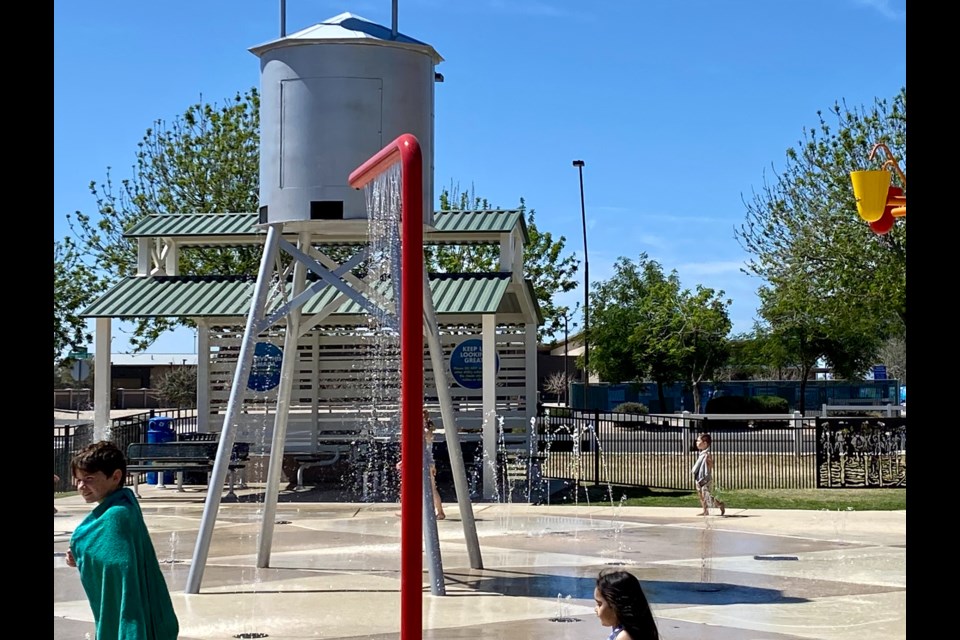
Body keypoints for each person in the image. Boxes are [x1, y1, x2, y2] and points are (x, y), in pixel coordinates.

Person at [66, 441, 180, 640]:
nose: (81, 486)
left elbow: (119, 566)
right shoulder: (125, 504)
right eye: (78, 480)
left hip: (128, 615)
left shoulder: (117, 514)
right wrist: (82, 553)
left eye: (89, 479)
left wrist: (82, 553)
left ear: (116, 477)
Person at [395, 408, 446, 520]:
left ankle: (440, 511)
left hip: (425, 461)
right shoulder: (423, 430)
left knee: (431, 488)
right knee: (409, 486)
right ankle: (407, 509)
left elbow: (418, 448)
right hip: (421, 461)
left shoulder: (425, 431)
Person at [594, 569, 660, 640]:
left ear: (615, 606)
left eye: (599, 604)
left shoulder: (624, 637)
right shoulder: (625, 630)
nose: (595, 609)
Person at [691, 432, 725, 516]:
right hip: (699, 477)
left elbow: (710, 466)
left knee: (706, 496)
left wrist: (709, 462)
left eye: (698, 441)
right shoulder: (701, 454)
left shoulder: (707, 454)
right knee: (701, 495)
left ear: (705, 443)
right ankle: (705, 510)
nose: (696, 442)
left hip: (705, 478)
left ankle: (720, 504)